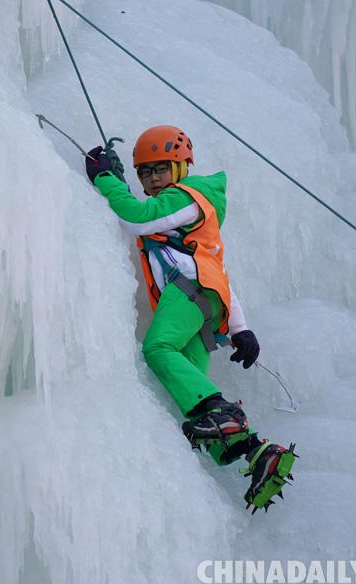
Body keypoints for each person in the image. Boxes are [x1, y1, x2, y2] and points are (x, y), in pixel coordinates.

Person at [85, 125, 296, 513]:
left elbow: (136, 217)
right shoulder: (177, 212)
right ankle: (257, 452)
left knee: (158, 349)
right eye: (145, 172)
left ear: (182, 166)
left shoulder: (190, 195)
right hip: (205, 304)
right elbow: (217, 267)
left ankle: (225, 413)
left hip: (190, 293)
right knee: (200, 416)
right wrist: (240, 328)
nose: (152, 178)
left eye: (161, 169)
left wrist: (103, 178)